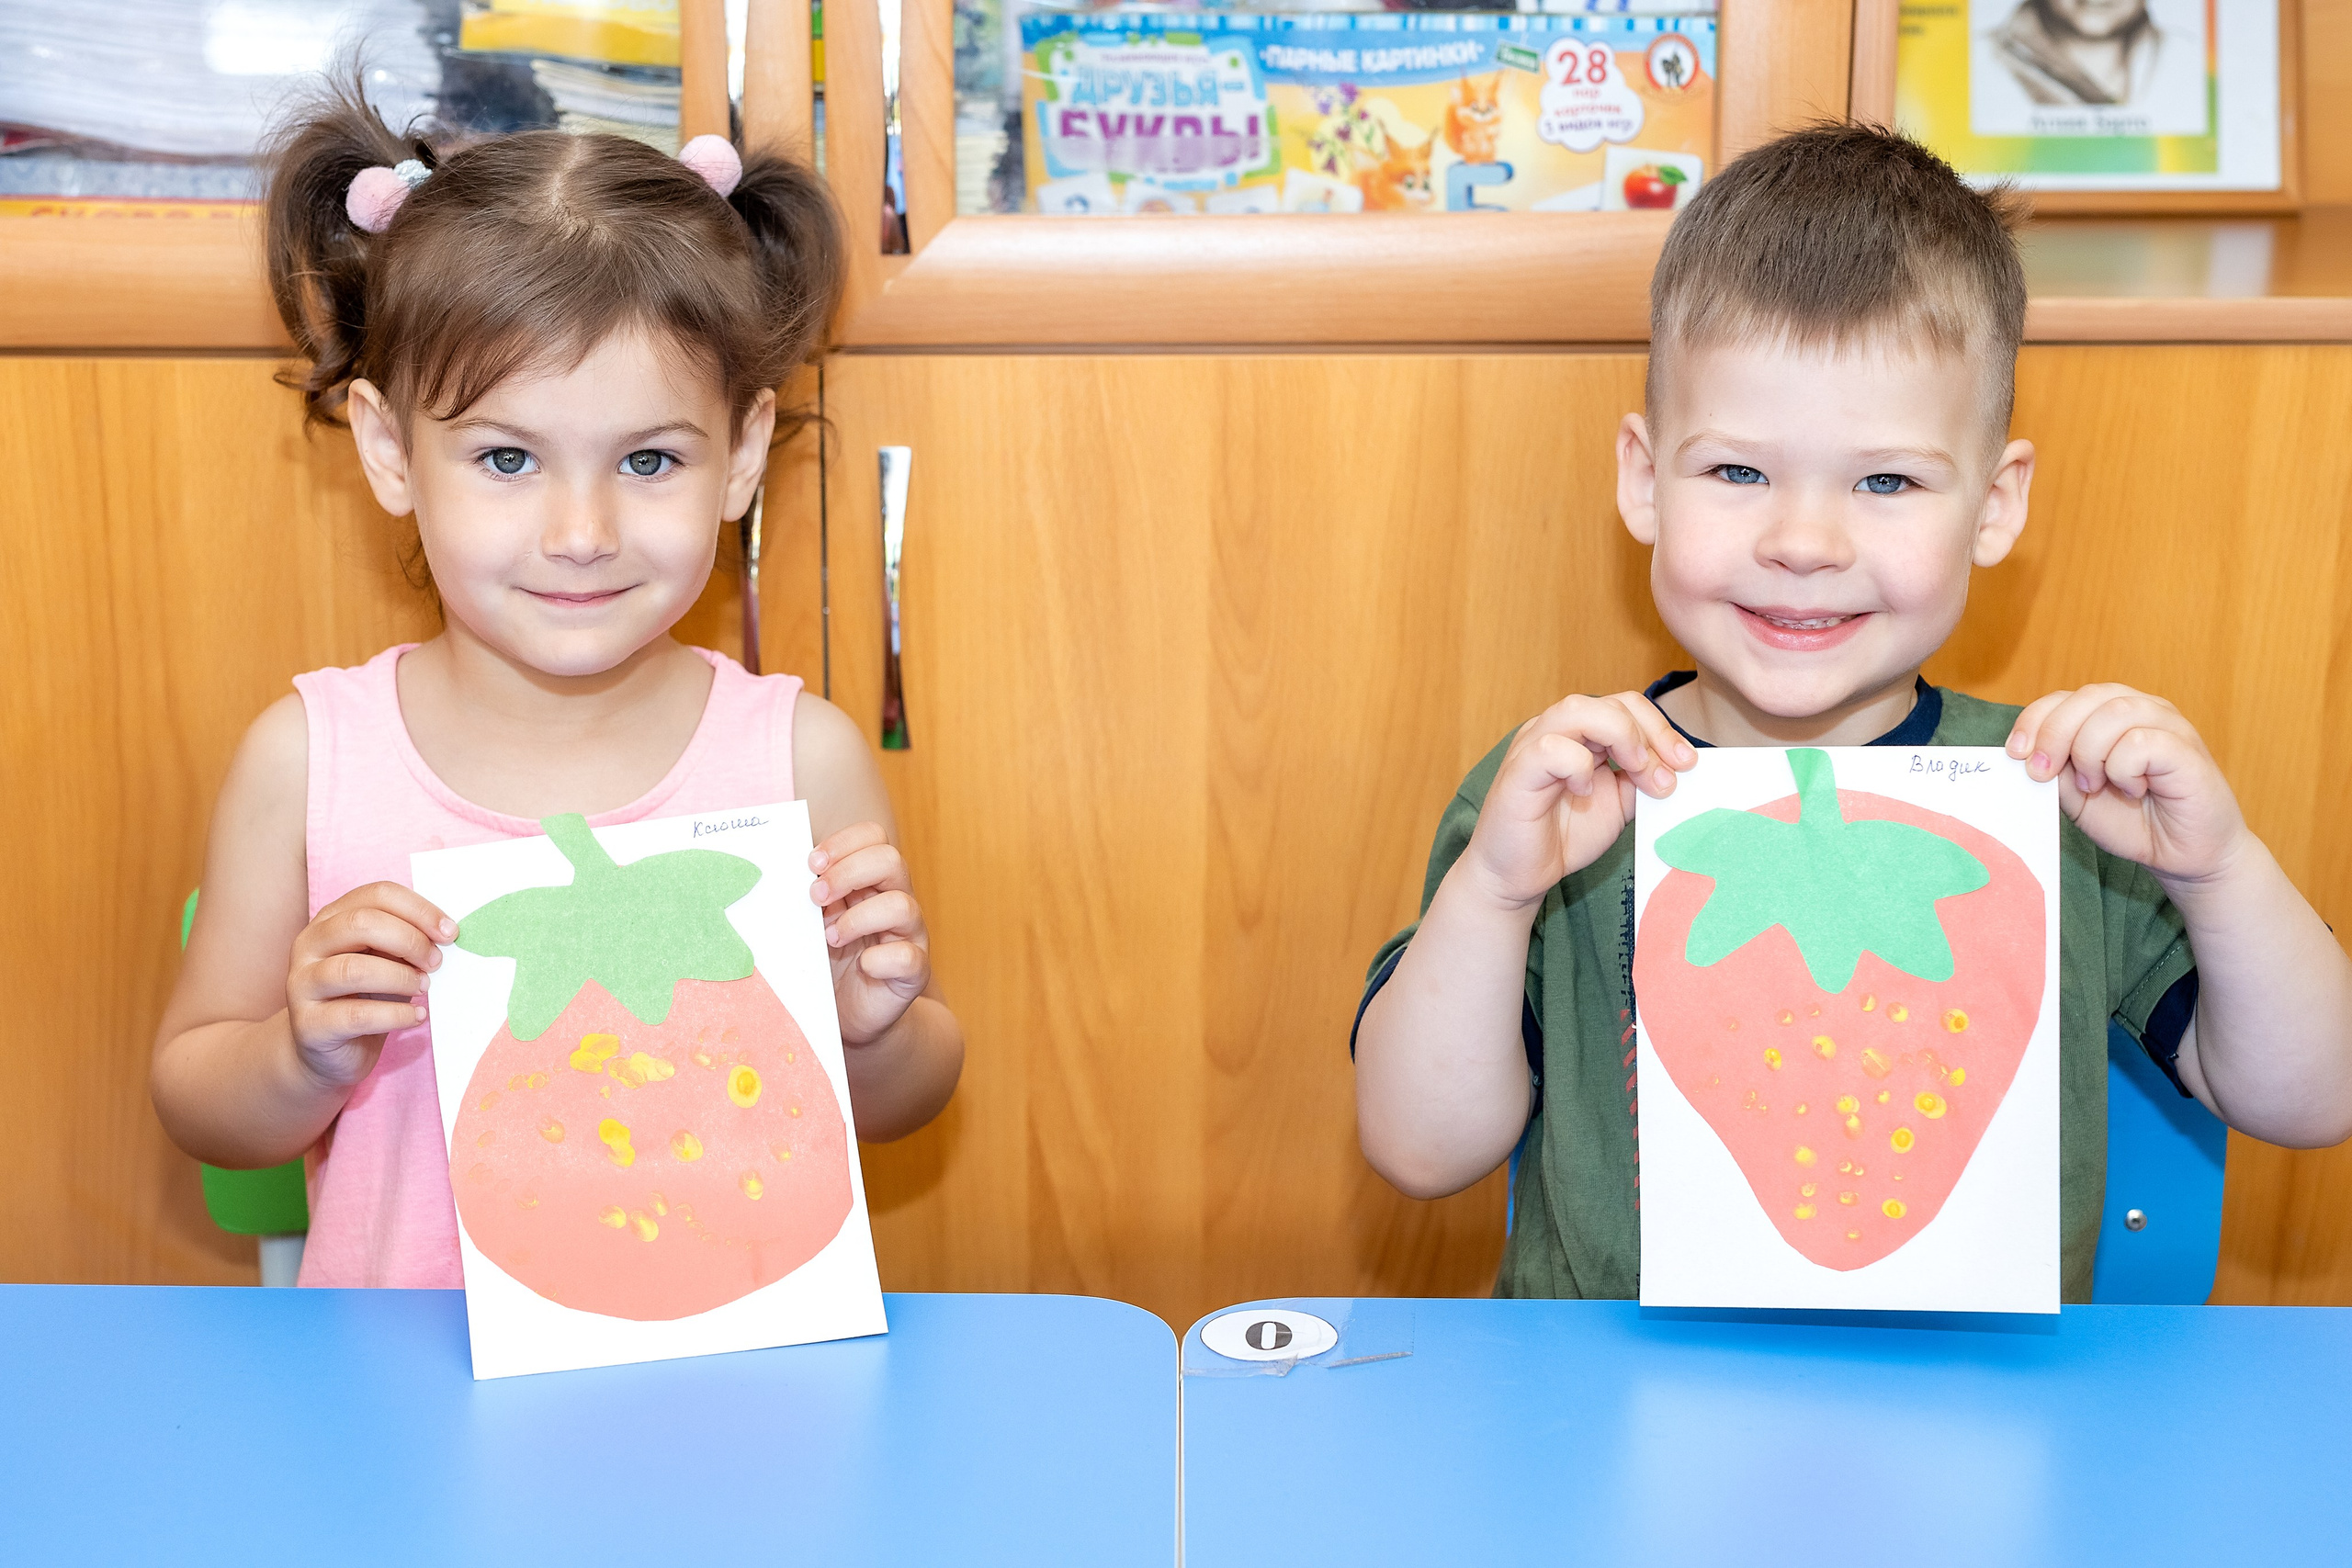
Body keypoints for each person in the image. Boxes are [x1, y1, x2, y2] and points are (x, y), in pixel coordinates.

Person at [1352, 123, 2352, 1302]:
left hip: (1977, 1424)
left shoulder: (2064, 803)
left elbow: (2313, 1098)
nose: (1803, 543)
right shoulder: (1561, 800)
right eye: (1737, 472)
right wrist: (1498, 893)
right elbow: (1419, 1151)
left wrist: (2219, 869)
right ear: (1643, 479)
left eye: (1885, 482)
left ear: (1992, 505)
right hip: (1614, 1419)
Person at [151, 86, 963, 1289]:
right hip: (393, 1409)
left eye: (647, 458)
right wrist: (301, 1052)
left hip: (719, 1393)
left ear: (739, 454)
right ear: (389, 450)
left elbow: (905, 1097)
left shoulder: (802, 755)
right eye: (507, 457)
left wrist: (875, 1019)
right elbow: (201, 1098)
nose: (581, 531)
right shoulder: (308, 758)